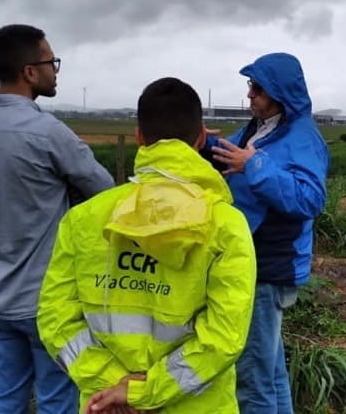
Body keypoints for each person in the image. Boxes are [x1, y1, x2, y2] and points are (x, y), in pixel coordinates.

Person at [37, 77, 257, 413]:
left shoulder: (82, 218)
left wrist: (114, 386)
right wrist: (146, 390)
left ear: (139, 137)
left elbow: (56, 320)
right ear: (200, 139)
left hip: (104, 405)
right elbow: (225, 337)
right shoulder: (227, 224)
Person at [0, 24, 115, 413]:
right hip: (48, 297)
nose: (56, 70)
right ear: (30, 71)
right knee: (56, 398)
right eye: (51, 62)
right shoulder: (47, 132)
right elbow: (105, 189)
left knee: (7, 392)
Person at [209, 53, 329, 414]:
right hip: (253, 260)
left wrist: (255, 165)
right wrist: (200, 144)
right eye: (250, 86)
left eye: (258, 88)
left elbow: (309, 198)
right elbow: (229, 153)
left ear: (279, 92)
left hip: (267, 265)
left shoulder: (302, 137)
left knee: (252, 378)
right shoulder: (261, 128)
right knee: (271, 369)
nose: (250, 95)